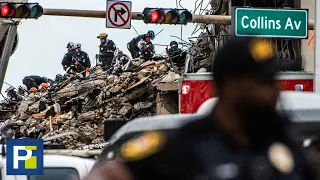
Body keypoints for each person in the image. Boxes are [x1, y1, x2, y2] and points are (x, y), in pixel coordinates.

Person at [84, 37, 316, 180]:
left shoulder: (283, 146)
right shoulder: (184, 146)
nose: (273, 91)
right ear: (231, 84)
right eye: (263, 82)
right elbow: (111, 172)